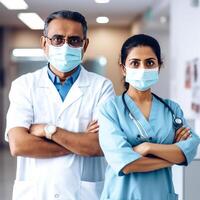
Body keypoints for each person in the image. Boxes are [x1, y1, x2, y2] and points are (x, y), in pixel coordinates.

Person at [5, 10, 115, 200]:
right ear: (44, 43)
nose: (65, 46)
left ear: (85, 45)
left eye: (74, 40)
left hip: (83, 194)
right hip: (36, 193)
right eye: (57, 39)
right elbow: (19, 144)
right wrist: (79, 144)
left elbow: (99, 146)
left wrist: (49, 131)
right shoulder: (24, 85)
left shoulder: (102, 87)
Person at [98, 34, 200, 200]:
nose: (143, 68)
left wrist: (147, 147)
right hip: (121, 195)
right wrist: (172, 157)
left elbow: (190, 148)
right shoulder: (110, 110)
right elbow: (126, 164)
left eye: (150, 62)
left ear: (159, 66)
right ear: (123, 68)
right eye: (135, 63)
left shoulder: (172, 109)